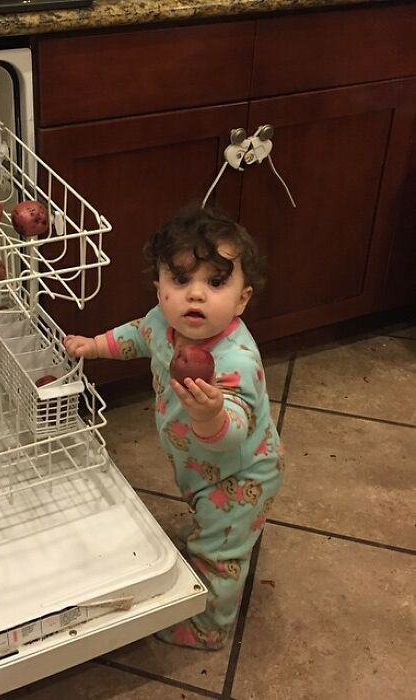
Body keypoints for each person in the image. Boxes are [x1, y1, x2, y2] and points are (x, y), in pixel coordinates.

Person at [63, 203, 284, 650]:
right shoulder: (163, 323)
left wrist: (210, 415)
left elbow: (237, 424)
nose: (196, 294)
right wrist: (95, 346)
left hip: (240, 477)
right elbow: (134, 336)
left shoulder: (234, 359)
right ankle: (210, 527)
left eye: (216, 282)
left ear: (243, 298)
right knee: (209, 524)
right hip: (202, 469)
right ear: (159, 286)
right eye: (181, 280)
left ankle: (211, 628)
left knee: (220, 558)